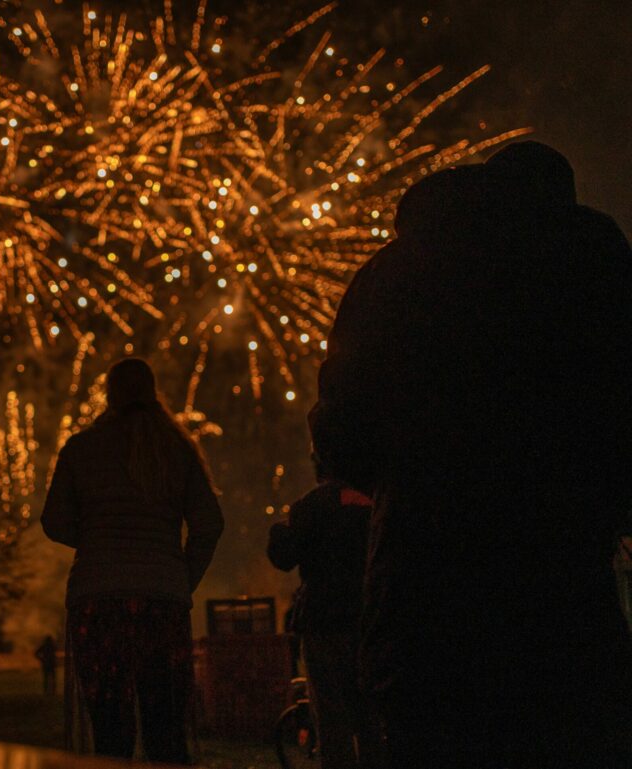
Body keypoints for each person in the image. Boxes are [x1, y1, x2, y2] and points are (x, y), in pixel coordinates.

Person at [310, 142, 632, 767]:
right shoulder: (597, 260)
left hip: (423, 576)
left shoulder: (396, 272)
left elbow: (342, 426)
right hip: (564, 572)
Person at [41, 357, 224, 764]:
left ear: (109, 394)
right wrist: (180, 578)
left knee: (109, 731)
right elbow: (209, 523)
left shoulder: (81, 447)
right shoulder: (178, 449)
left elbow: (53, 522)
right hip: (162, 601)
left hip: (97, 600)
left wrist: (94, 539)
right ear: (152, 391)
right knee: (166, 729)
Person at [268, 472, 375, 769]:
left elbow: (283, 556)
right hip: (370, 621)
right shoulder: (378, 501)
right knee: (371, 718)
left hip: (324, 621)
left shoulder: (314, 505)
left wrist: (279, 530)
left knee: (331, 717)